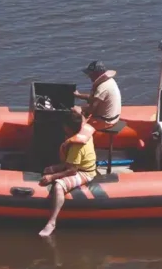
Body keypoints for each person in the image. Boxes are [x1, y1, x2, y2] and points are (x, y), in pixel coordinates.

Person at [38, 109, 97, 237]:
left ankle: (52, 222)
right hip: (76, 163)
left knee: (58, 186)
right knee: (50, 168)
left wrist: (52, 177)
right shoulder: (83, 128)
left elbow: (72, 170)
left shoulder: (76, 145)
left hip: (84, 171)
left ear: (69, 128)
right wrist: (55, 167)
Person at [73, 60, 122, 130]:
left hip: (105, 122)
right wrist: (78, 95)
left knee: (73, 110)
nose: (89, 76)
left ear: (97, 73)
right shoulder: (109, 81)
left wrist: (76, 110)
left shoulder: (102, 87)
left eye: (90, 74)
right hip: (114, 118)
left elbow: (90, 110)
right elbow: (94, 98)